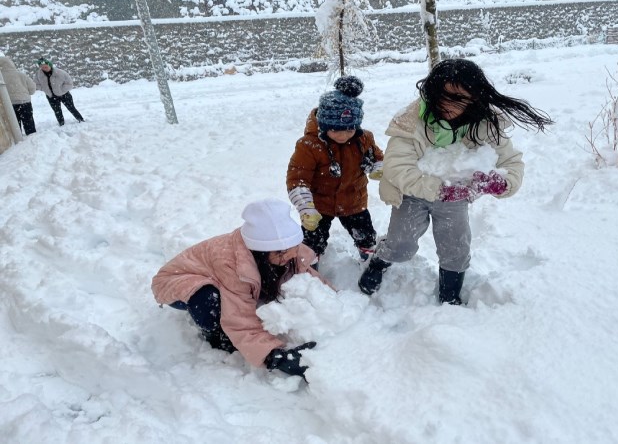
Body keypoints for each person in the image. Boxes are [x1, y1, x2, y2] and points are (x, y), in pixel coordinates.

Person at [358, 59, 553, 305]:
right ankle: (381, 260)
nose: (449, 103)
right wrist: (438, 189)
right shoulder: (409, 121)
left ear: (474, 97)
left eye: (459, 97)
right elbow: (397, 167)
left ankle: (451, 290)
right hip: (412, 191)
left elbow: (511, 162)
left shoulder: (485, 123)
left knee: (456, 244)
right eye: (444, 95)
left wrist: (503, 183)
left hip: (456, 192)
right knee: (402, 243)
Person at [151, 198, 327, 378]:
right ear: (261, 251)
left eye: (293, 248)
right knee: (208, 299)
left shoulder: (285, 249)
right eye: (280, 253)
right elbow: (238, 316)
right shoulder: (234, 266)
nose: (289, 255)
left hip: (216, 273)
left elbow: (311, 279)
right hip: (176, 280)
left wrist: (332, 301)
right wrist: (274, 355)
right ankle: (215, 335)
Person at [286, 75, 384, 267]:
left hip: (353, 200)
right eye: (336, 130)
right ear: (323, 125)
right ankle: (309, 268)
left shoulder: (363, 138)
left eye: (349, 130)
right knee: (313, 241)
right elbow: (297, 179)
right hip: (318, 206)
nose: (343, 135)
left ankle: (368, 259)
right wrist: (306, 208)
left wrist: (377, 168)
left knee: (365, 235)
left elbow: (378, 157)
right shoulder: (309, 145)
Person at [33, 57, 85, 126]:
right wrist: (44, 89)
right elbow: (36, 84)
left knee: (71, 108)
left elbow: (69, 83)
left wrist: (61, 91)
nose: (44, 68)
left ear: (49, 65)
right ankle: (61, 124)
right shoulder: (38, 74)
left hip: (64, 94)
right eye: (42, 67)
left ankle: (80, 120)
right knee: (57, 111)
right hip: (51, 96)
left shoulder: (60, 72)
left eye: (45, 66)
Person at [0, 56, 36, 135]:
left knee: (15, 124)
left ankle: (18, 140)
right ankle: (32, 137)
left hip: (9, 104)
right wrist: (27, 93)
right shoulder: (21, 74)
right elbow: (32, 87)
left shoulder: (1, 77)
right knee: (28, 122)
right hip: (25, 102)